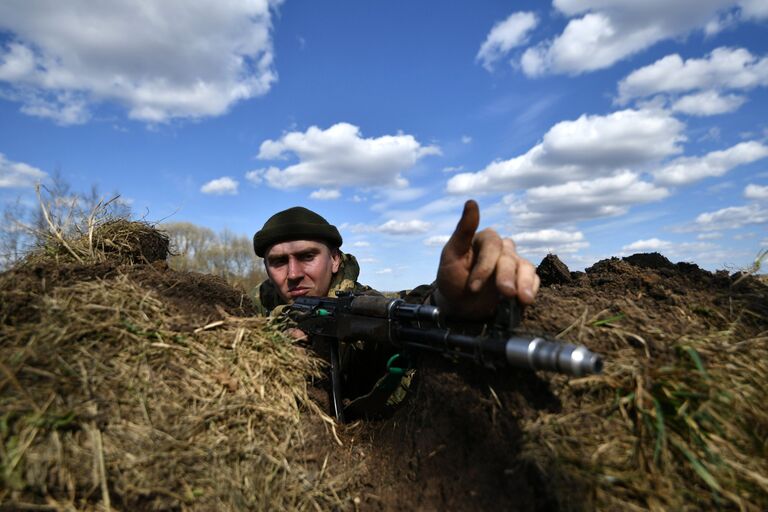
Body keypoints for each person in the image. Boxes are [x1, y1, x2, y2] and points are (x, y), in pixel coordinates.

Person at [251, 199, 541, 417]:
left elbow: (406, 310)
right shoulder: (254, 308)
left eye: (306, 256)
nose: (292, 274)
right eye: (278, 262)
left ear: (336, 260)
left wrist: (448, 302)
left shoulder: (361, 307)